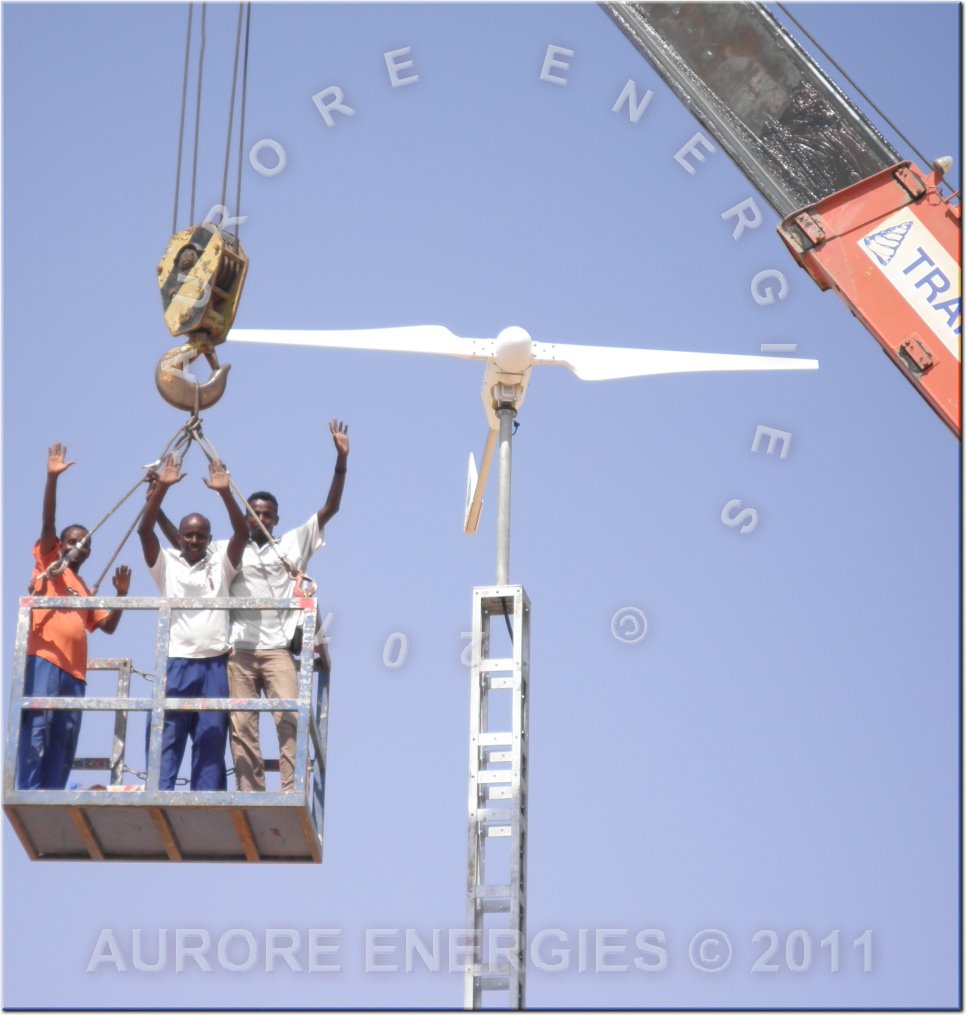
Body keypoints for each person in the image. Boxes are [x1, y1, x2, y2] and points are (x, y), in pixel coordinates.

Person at [225, 418, 349, 792]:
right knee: (241, 724)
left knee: (288, 719)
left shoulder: (292, 544)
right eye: (255, 513)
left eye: (267, 514)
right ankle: (251, 794)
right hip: (241, 650)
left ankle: (291, 789)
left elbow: (330, 507)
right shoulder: (229, 551)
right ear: (246, 518)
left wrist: (341, 460)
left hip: (278, 649)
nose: (261, 519)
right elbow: (186, 550)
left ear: (275, 519)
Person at [18, 443, 131, 790]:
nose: (76, 547)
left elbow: (106, 627)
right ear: (60, 545)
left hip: (75, 674)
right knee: (39, 726)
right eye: (71, 542)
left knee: (65, 736)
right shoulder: (50, 565)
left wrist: (122, 596)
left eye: (83, 544)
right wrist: (52, 479)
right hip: (46, 660)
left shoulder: (83, 588)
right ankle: (30, 791)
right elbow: (48, 521)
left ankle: (51, 794)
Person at [138, 454, 248, 790]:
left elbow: (242, 531)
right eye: (188, 535)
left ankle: (207, 803)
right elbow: (144, 529)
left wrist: (226, 492)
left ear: (209, 538)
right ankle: (160, 795)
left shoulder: (221, 564)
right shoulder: (166, 564)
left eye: (201, 536)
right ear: (181, 537)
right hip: (176, 661)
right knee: (166, 735)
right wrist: (162, 490)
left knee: (211, 739)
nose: (194, 541)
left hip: (214, 664)